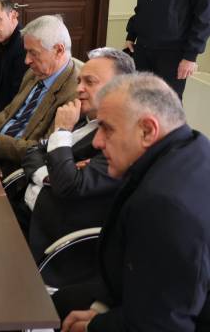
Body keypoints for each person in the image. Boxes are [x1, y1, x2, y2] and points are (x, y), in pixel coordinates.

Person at [59, 73, 210, 332]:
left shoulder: (165, 206)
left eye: (107, 129)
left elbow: (160, 325)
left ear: (147, 131)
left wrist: (94, 326)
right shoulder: (192, 145)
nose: (97, 142)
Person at [19, 48, 135, 265]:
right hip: (25, 210)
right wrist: (49, 177)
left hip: (50, 240)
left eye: (90, 82)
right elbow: (33, 151)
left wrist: (62, 131)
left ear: (121, 87)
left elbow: (67, 186)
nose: (79, 89)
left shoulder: (121, 139)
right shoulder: (83, 116)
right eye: (79, 81)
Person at [0, 15, 80, 173]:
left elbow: (42, 150)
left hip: (17, 169)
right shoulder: (35, 72)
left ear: (58, 50)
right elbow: (10, 112)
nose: (26, 60)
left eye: (33, 53)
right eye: (26, 52)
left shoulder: (74, 94)